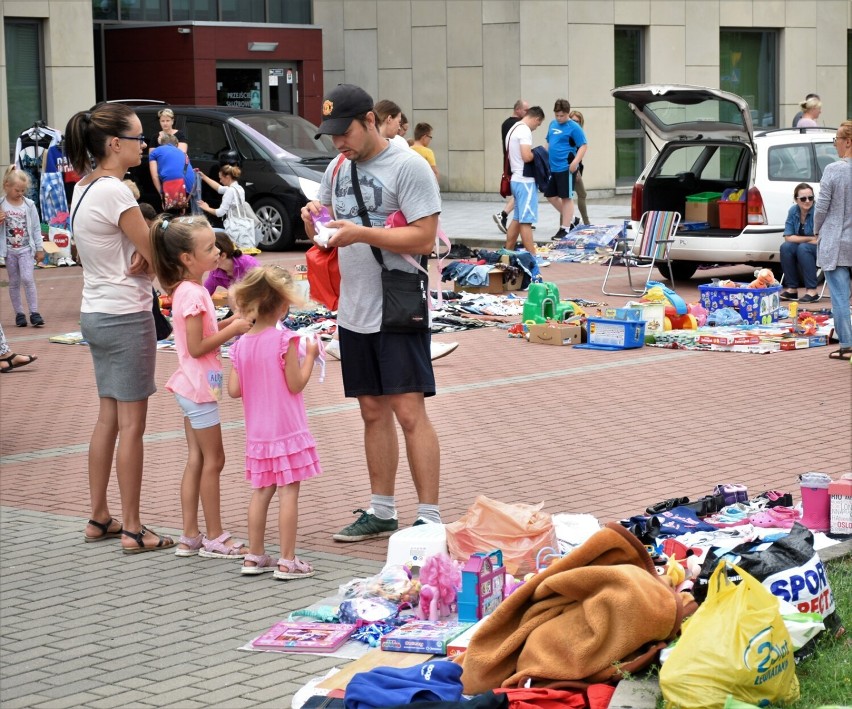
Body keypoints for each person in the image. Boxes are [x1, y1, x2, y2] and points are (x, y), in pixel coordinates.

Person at [301, 83, 444, 541]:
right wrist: (314, 219)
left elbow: (424, 238)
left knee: (408, 410)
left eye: (345, 132)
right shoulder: (338, 167)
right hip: (354, 307)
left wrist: (361, 233)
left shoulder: (410, 166)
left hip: (398, 303)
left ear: (369, 120)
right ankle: (382, 510)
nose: (339, 143)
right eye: (331, 135)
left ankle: (429, 517)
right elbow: (327, 217)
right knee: (370, 410)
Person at [65, 102, 174, 552]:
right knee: (131, 425)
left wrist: (144, 256)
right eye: (136, 137)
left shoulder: (85, 186)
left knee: (108, 417)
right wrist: (153, 256)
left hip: (95, 311)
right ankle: (133, 527)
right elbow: (155, 252)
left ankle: (99, 517)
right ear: (114, 144)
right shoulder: (116, 191)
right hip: (126, 315)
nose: (143, 142)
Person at [148, 214, 253, 557]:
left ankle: (190, 535)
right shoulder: (192, 293)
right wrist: (233, 330)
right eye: (209, 248)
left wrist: (228, 322)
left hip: (191, 386)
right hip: (197, 389)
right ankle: (215, 536)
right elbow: (197, 347)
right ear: (186, 259)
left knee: (197, 459)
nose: (217, 252)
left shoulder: (187, 291)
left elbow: (203, 335)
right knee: (214, 460)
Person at [228, 265, 323, 578]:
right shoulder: (288, 341)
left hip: (258, 432)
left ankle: (254, 555)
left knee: (261, 490)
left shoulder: (240, 344)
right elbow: (295, 385)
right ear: (283, 304)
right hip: (287, 428)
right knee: (289, 491)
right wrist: (309, 356)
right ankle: (287, 559)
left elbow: (233, 390)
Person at [813, 120, 852, 361]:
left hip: (837, 242)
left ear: (848, 142)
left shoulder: (833, 170)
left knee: (839, 296)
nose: (835, 144)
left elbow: (821, 207)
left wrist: (817, 229)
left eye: (836, 139)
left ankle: (847, 345)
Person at [1, 167, 45, 327]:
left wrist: (39, 248)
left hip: (26, 249)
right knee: (13, 282)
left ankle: (34, 312)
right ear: (6, 186)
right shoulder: (1, 204)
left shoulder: (29, 204)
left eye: (23, 190)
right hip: (9, 250)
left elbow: (36, 227)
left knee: (27, 279)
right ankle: (19, 314)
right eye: (17, 190)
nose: (20, 193)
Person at [505, 105, 545, 256]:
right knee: (526, 221)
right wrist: (539, 154)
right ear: (536, 118)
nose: (536, 128)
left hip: (515, 179)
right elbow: (526, 156)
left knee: (517, 219)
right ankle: (533, 257)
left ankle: (507, 252)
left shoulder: (514, 128)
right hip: (525, 181)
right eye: (538, 124)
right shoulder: (525, 130)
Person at [546, 99, 588, 240]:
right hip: (554, 168)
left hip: (567, 166)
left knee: (566, 197)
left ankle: (565, 228)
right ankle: (573, 219)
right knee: (550, 196)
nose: (559, 118)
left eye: (562, 116)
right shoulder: (552, 124)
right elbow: (549, 142)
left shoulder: (574, 127)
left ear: (568, 113)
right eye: (557, 115)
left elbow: (583, 145)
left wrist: (575, 162)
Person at [779, 183, 820, 303]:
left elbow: (821, 238)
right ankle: (792, 289)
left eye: (811, 198)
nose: (807, 201)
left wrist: (801, 239)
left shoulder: (818, 211)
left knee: (803, 248)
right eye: (803, 198)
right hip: (805, 246)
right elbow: (788, 237)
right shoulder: (793, 211)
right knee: (786, 247)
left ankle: (812, 291)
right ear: (796, 200)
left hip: (821, 249)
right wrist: (809, 239)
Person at [494, 99, 529, 234]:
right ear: (518, 109)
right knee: (520, 192)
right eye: (526, 110)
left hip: (509, 162)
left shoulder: (506, 123)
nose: (528, 113)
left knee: (518, 192)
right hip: (516, 164)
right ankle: (503, 214)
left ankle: (520, 219)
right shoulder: (519, 125)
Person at [149, 132, 195, 213]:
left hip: (173, 182)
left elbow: (154, 176)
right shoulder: (183, 153)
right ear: (176, 144)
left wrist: (161, 194)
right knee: (179, 214)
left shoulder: (155, 152)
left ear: (161, 143)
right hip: (189, 185)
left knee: (169, 214)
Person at [204, 231, 260, 295]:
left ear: (223, 256)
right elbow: (206, 293)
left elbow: (261, 289)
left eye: (210, 255)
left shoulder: (249, 264)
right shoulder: (215, 272)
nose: (206, 259)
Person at [568, 110, 591, 226]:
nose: (575, 123)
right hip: (570, 168)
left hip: (576, 168)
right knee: (569, 196)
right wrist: (575, 170)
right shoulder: (570, 133)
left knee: (570, 196)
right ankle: (584, 222)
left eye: (577, 121)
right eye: (572, 120)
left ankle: (567, 224)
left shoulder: (578, 133)